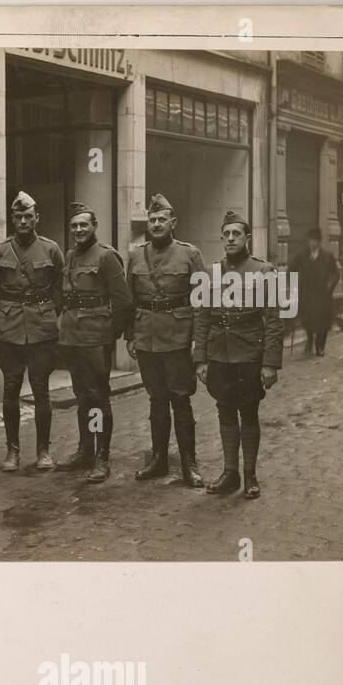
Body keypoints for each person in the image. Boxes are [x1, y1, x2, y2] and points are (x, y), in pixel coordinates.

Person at [193, 210, 283, 500]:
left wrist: (270, 363)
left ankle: (250, 475)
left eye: (236, 234)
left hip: (249, 353)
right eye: (226, 234)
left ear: (247, 238)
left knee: (249, 412)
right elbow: (203, 317)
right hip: (219, 353)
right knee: (224, 409)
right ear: (221, 239)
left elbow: (274, 319)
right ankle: (230, 473)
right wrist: (201, 359)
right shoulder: (210, 273)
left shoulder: (263, 271)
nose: (230, 239)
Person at [126, 193, 206, 487]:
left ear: (174, 223)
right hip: (147, 337)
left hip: (178, 337)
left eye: (162, 219)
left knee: (181, 400)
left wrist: (199, 341)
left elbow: (203, 301)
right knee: (156, 400)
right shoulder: (135, 255)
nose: (156, 224)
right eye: (152, 219)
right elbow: (129, 298)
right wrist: (130, 335)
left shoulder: (190, 254)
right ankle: (159, 460)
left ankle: (189, 464)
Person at [0, 191, 63, 472]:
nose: (22, 221)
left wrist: (45, 311)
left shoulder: (51, 249)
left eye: (27, 216)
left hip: (42, 330)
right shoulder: (0, 251)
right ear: (12, 219)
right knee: (11, 388)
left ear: (36, 218)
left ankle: (43, 451)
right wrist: (10, 310)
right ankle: (12, 451)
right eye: (18, 217)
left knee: (41, 390)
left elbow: (60, 289)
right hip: (9, 331)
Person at [56, 201, 131, 484]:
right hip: (73, 338)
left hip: (96, 338)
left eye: (83, 225)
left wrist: (108, 335)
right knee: (82, 396)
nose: (78, 229)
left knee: (98, 396)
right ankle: (85, 450)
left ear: (94, 227)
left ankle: (102, 456)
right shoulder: (70, 256)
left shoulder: (107, 257)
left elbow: (123, 301)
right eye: (74, 225)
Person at [289, 227, 339, 357]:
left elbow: (335, 273)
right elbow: (291, 268)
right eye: (310, 240)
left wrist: (329, 287)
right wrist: (294, 283)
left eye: (315, 240)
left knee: (322, 322)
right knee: (307, 320)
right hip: (307, 293)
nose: (312, 243)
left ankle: (320, 346)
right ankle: (310, 339)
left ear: (319, 241)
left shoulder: (327, 256)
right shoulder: (302, 255)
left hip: (322, 294)